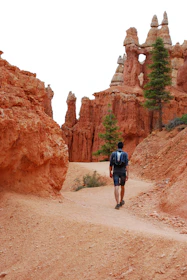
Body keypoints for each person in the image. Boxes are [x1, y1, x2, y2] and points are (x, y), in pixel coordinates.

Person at [109, 142, 129, 209]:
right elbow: (127, 165)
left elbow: (110, 164)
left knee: (116, 186)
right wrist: (127, 174)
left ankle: (117, 203)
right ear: (123, 147)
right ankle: (121, 200)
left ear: (117, 146)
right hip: (123, 172)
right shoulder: (125, 154)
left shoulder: (113, 154)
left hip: (116, 171)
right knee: (122, 186)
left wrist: (110, 172)